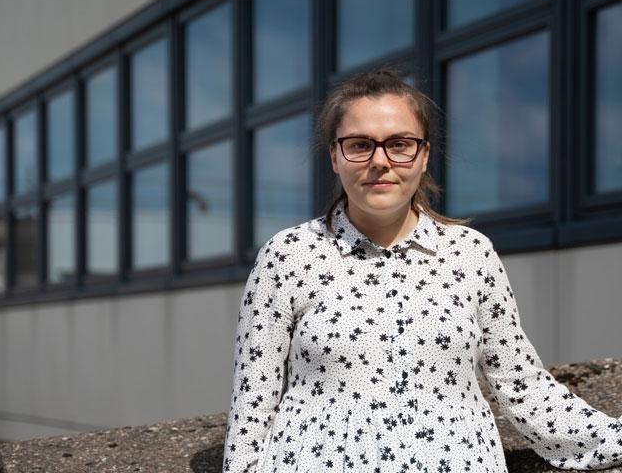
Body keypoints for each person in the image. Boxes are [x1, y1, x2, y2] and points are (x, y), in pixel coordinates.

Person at [221, 68, 622, 472]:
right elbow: (253, 400)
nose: (380, 161)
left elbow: (522, 385)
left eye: (400, 144)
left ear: (424, 155)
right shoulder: (288, 255)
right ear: (335, 156)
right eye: (360, 145)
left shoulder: (470, 254)